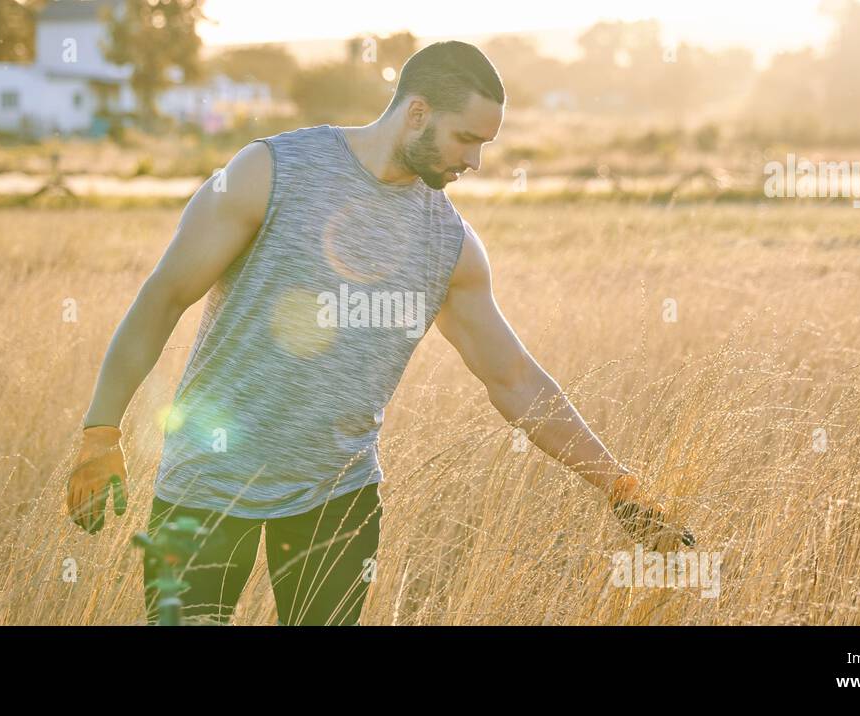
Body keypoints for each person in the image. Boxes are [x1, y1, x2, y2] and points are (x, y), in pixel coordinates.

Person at [65, 41, 694, 626]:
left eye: (485, 145)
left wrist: (621, 487)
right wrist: (101, 432)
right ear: (417, 112)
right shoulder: (270, 171)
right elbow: (164, 296)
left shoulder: (449, 244)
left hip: (338, 501)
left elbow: (514, 378)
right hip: (206, 485)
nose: (475, 161)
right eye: (467, 138)